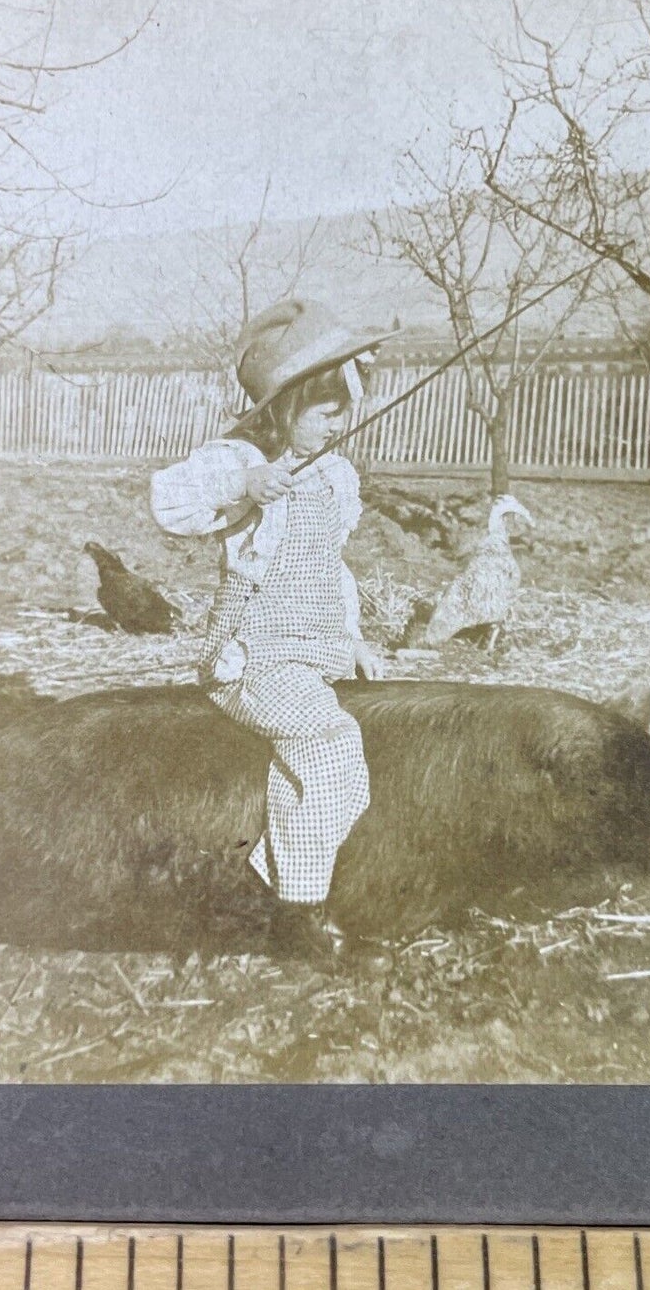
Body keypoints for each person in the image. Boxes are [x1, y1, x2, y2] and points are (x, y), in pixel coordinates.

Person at [150, 298, 396, 955]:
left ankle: (297, 875)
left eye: (347, 407)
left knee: (378, 741)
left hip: (315, 650)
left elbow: (329, 566)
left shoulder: (336, 475)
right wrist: (245, 483)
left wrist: (353, 637)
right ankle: (295, 916)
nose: (339, 422)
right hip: (253, 659)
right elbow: (169, 501)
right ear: (283, 407)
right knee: (326, 743)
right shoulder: (236, 461)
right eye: (324, 409)